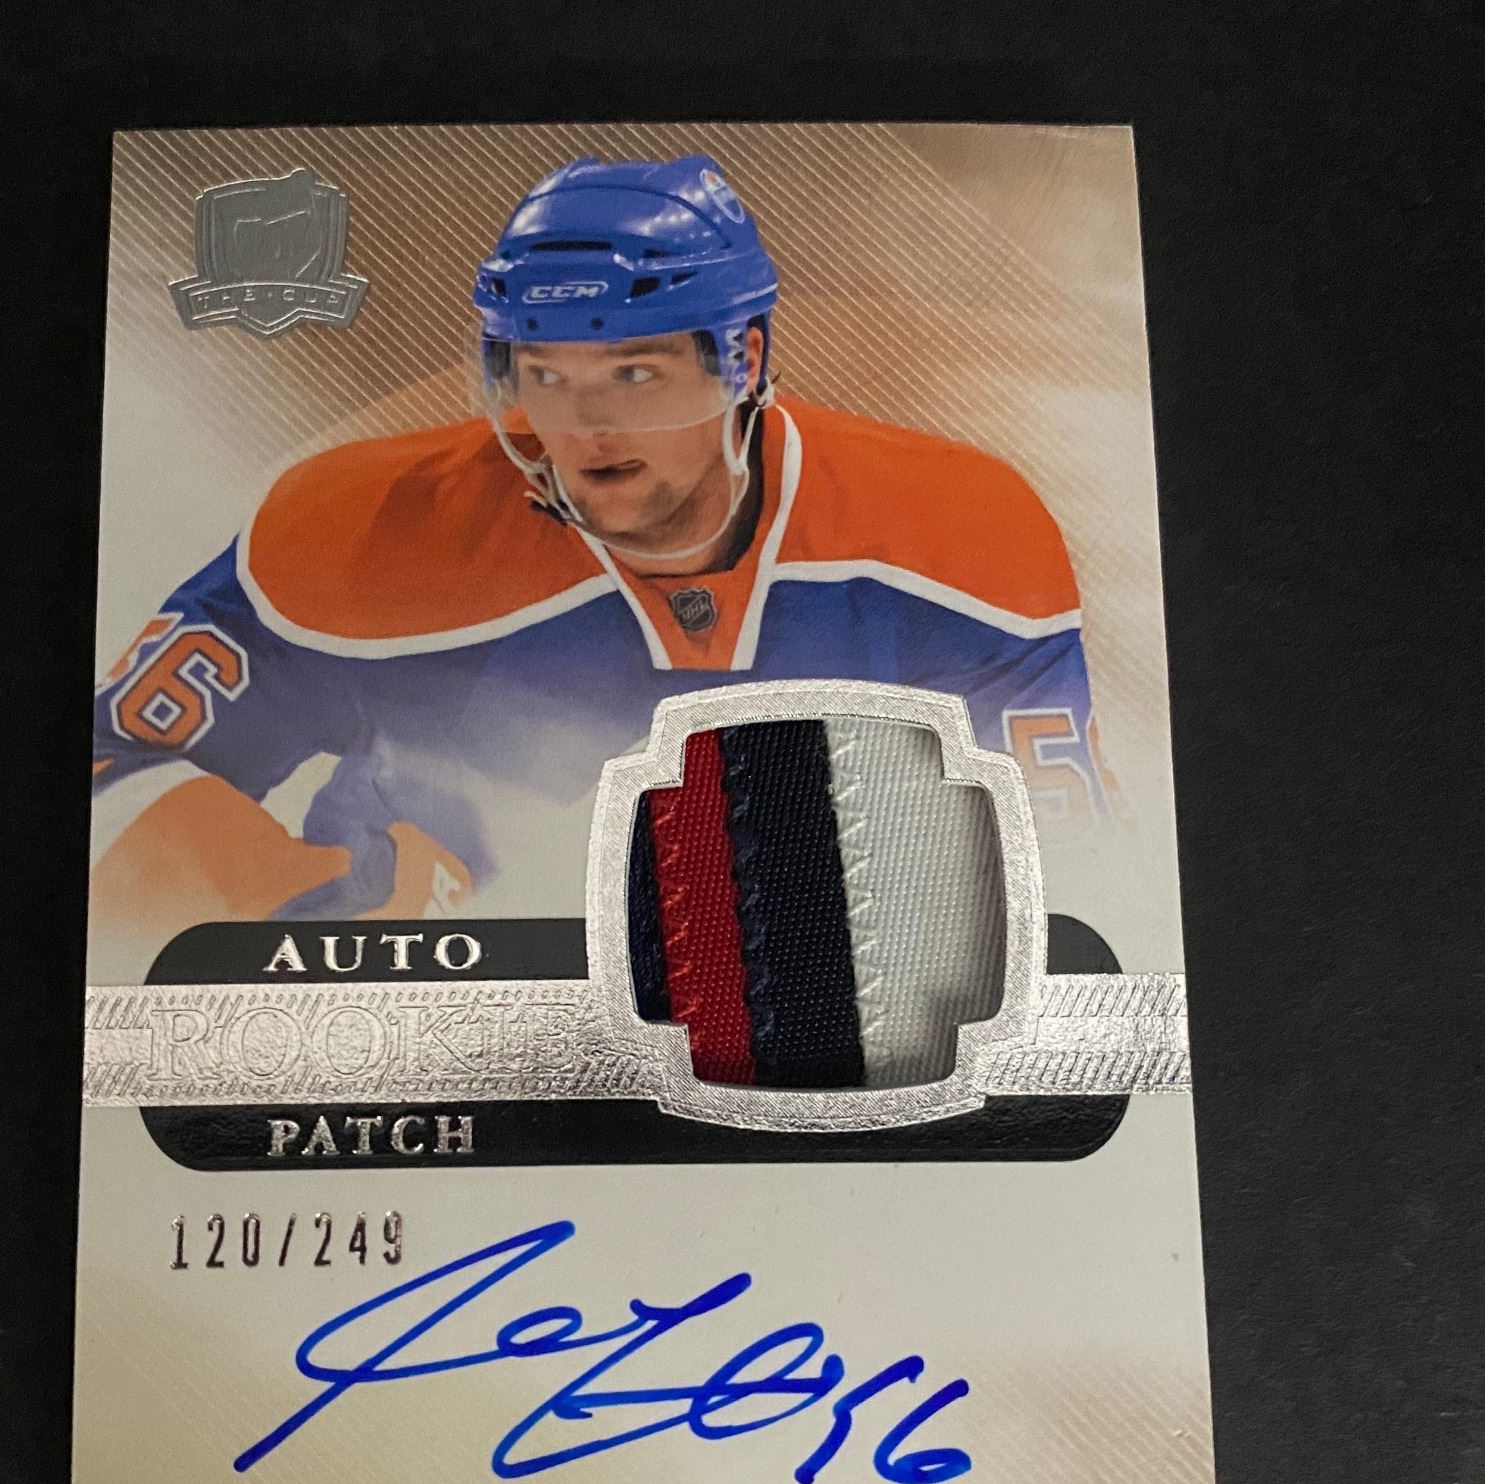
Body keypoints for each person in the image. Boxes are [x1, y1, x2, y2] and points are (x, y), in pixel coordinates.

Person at [91, 153, 1106, 951]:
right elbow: (114, 775)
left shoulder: (959, 538)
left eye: (633, 373)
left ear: (743, 360)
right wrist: (297, 931)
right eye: (546, 374)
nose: (585, 428)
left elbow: (1063, 877)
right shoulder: (370, 531)